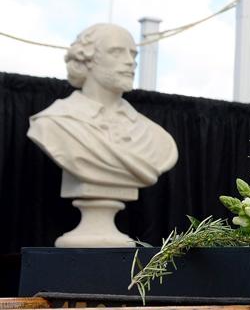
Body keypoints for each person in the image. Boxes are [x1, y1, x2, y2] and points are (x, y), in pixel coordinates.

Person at [28, 23, 178, 200]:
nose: (131, 61)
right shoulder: (52, 123)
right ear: (86, 60)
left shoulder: (157, 138)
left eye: (133, 54)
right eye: (116, 52)